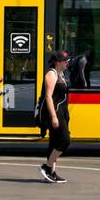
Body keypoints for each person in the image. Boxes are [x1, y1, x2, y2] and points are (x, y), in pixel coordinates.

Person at [39, 50, 71, 183]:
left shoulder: (61, 73)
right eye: (65, 61)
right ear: (58, 62)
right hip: (55, 111)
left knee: (54, 142)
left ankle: (51, 173)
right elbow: (48, 96)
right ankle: (46, 167)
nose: (67, 63)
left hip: (62, 111)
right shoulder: (51, 74)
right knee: (65, 140)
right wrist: (53, 117)